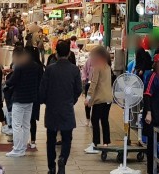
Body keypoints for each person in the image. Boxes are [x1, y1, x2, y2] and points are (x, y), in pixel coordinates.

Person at [39, 39, 82, 174]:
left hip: (52, 109)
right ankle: (62, 158)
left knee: (50, 139)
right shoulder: (74, 70)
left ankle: (51, 167)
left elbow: (42, 90)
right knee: (67, 138)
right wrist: (71, 100)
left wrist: (46, 101)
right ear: (69, 53)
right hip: (67, 108)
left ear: (56, 54)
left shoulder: (50, 69)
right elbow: (78, 90)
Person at [4, 47, 38, 158]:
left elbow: (12, 81)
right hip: (30, 99)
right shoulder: (35, 66)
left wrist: (6, 81)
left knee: (17, 125)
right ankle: (22, 147)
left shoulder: (20, 66)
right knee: (26, 124)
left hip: (19, 99)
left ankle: (18, 149)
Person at [84, 47, 113, 154]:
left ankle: (95, 144)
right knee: (104, 120)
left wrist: (88, 98)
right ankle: (106, 143)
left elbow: (93, 84)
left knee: (95, 120)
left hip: (100, 99)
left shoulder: (97, 67)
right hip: (108, 98)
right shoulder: (108, 66)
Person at [26, 44, 45, 150]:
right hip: (35, 97)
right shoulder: (39, 67)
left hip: (25, 96)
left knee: (24, 119)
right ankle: (33, 140)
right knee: (32, 119)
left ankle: (23, 140)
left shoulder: (25, 65)